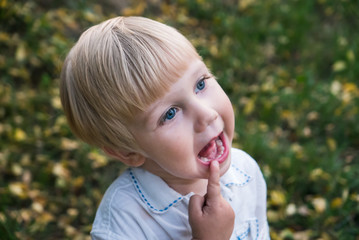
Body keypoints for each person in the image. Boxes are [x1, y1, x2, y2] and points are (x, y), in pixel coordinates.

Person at [60, 16, 270, 240]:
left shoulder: (245, 172)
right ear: (127, 151)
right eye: (169, 114)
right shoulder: (123, 225)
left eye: (200, 84)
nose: (207, 114)